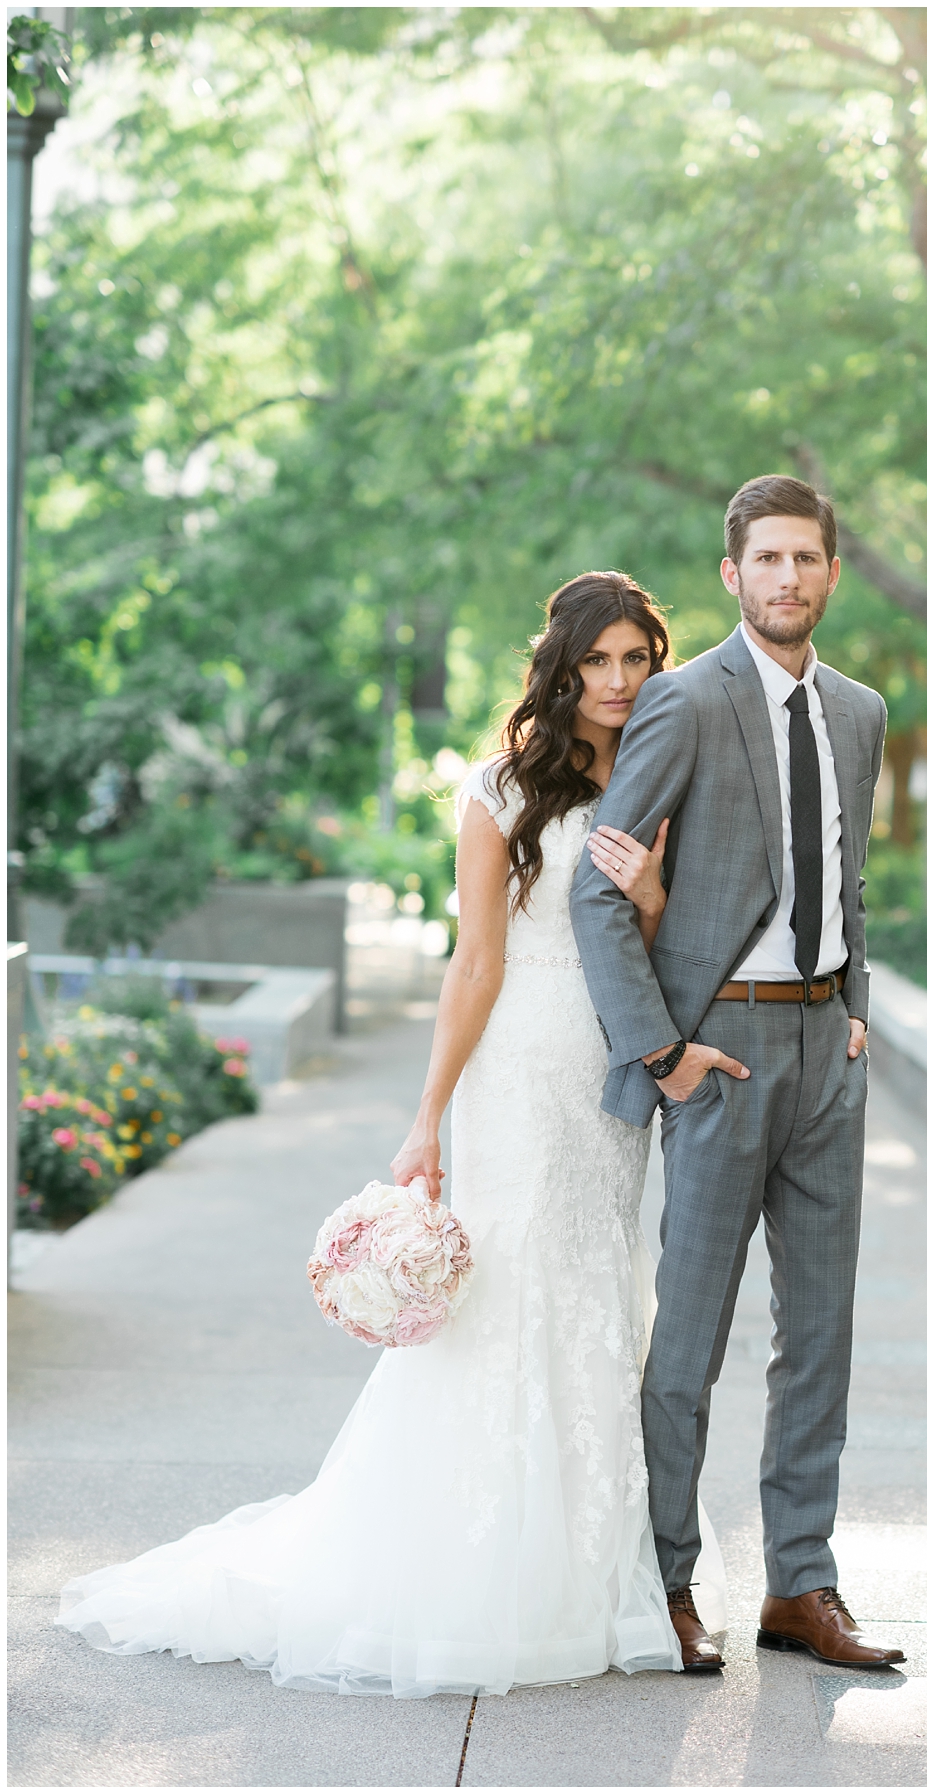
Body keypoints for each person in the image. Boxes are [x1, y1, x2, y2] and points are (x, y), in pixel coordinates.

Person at [55, 571, 685, 1696]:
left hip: (610, 1074)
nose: (618, 682)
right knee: (509, 1290)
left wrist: (649, 896)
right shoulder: (499, 786)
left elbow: (664, 941)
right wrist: (428, 1114)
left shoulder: (654, 771)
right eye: (598, 660)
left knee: (596, 1287)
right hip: (518, 1069)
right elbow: (477, 960)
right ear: (561, 663)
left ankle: (595, 1566)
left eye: (636, 658)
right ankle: (478, 1566)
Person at [573, 474, 902, 1676]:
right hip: (720, 1055)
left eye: (806, 558)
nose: (787, 579)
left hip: (827, 1053)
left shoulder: (860, 712)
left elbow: (849, 879)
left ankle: (800, 1585)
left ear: (830, 571)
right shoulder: (684, 701)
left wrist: (855, 1006)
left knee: (819, 1333)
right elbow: (597, 893)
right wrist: (661, 1048)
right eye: (765, 559)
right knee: (691, 1340)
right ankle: (666, 1581)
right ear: (732, 573)